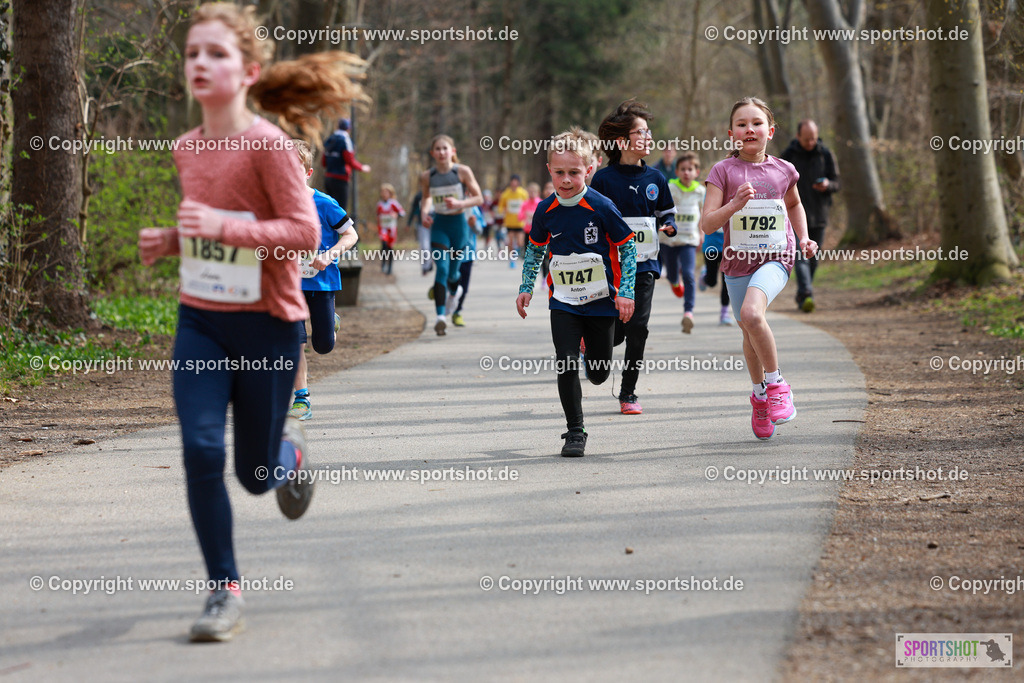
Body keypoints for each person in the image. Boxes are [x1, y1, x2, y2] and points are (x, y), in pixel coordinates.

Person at [137, 2, 364, 641]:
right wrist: (173, 242)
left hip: (268, 325)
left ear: (248, 71)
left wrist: (220, 227)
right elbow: (209, 236)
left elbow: (302, 234)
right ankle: (224, 589)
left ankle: (289, 452)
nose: (200, 63)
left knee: (255, 477)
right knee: (201, 449)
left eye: (217, 53)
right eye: (192, 53)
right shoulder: (187, 148)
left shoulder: (269, 146)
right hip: (202, 321)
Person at [516, 127, 637, 457]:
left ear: (589, 170)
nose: (566, 180)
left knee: (598, 374)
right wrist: (526, 288)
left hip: (601, 302)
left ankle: (591, 349)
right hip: (564, 301)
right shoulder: (545, 210)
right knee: (565, 362)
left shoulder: (601, 206)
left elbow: (628, 247)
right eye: (559, 173)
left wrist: (626, 291)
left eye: (574, 172)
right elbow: (535, 249)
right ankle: (575, 431)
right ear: (549, 171)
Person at [701, 96, 817, 440]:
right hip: (736, 262)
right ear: (731, 133)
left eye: (757, 123)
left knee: (752, 314)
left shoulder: (784, 170)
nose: (749, 129)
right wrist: (734, 205)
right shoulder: (722, 171)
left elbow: (794, 204)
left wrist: (804, 237)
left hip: (776, 255)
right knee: (749, 332)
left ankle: (777, 385)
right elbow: (707, 224)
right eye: (741, 124)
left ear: (771, 131)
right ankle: (759, 397)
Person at [591, 99, 677, 415]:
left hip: (645, 264)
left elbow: (666, 212)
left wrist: (669, 225)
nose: (648, 137)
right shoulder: (603, 180)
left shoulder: (656, 178)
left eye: (648, 131)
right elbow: (593, 220)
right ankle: (592, 343)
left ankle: (628, 392)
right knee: (614, 333)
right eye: (641, 132)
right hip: (611, 267)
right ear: (621, 140)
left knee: (638, 327)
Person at [289, 140, 358, 422]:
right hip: (289, 286)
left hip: (321, 283)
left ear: (307, 173)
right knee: (294, 341)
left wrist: (329, 255)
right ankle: (302, 399)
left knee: (323, 345)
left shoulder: (325, 203)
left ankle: (332, 320)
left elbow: (351, 235)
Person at [420, 134, 483, 336]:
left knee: (454, 273)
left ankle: (455, 293)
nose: (441, 152)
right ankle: (440, 318)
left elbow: (479, 198)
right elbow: (426, 198)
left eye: (445, 148)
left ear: (452, 151)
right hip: (440, 226)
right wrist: (424, 213)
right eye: (437, 149)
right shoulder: (427, 176)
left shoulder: (462, 171)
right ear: (432, 153)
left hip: (459, 227)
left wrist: (460, 203)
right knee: (442, 269)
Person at [779, 119, 839, 312]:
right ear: (798, 136)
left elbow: (837, 182)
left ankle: (802, 293)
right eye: (806, 139)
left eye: (813, 138)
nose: (811, 142)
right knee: (800, 255)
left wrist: (828, 185)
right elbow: (777, 183)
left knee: (813, 257)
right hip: (794, 215)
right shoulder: (788, 156)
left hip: (819, 214)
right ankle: (806, 293)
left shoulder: (825, 154)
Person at [664, 152, 705, 333]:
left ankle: (688, 312)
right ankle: (674, 282)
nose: (686, 172)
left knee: (688, 274)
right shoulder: (670, 188)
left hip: (689, 240)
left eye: (690, 169)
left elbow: (703, 213)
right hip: (668, 240)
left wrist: (702, 233)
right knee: (672, 274)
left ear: (697, 172)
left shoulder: (700, 191)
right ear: (677, 172)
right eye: (683, 169)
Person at [322, 118, 371, 211]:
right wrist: (362, 167)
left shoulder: (330, 139)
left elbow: (324, 162)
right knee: (340, 210)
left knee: (329, 209)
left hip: (328, 179)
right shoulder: (345, 140)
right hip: (341, 179)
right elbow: (349, 160)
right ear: (349, 128)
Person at [452, 204, 484, 327]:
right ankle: (438, 291)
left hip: (467, 254)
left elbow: (479, 230)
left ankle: (457, 312)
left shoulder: (473, 209)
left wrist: (473, 225)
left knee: (463, 287)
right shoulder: (450, 205)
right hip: (450, 252)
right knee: (450, 281)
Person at [497, 174, 528, 267]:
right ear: (510, 182)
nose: (514, 183)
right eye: (512, 181)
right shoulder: (505, 194)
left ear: (518, 182)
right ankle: (512, 259)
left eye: (516, 181)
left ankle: (516, 252)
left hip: (520, 222)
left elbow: (527, 205)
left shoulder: (523, 193)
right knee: (510, 242)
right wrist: (503, 210)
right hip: (509, 222)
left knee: (520, 242)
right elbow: (500, 207)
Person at [376, 183, 404, 275]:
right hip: (383, 228)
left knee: (390, 247)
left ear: (390, 193)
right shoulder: (379, 204)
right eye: (383, 192)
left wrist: (396, 215)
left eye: (386, 192)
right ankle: (383, 264)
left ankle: (390, 267)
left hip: (391, 229)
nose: (384, 194)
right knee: (384, 244)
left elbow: (402, 213)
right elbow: (378, 215)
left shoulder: (393, 203)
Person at [407, 191, 432, 275]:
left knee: (433, 246)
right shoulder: (419, 196)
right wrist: (408, 223)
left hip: (437, 225)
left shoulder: (439, 191)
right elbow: (413, 210)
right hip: (422, 225)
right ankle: (425, 267)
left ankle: (430, 263)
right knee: (424, 247)